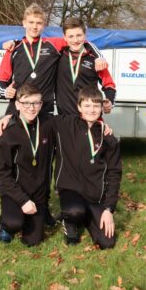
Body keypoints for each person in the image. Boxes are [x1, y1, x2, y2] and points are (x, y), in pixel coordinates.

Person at [0, 3, 105, 116]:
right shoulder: (13, 49)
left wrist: (99, 57)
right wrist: (5, 91)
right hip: (18, 110)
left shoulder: (53, 45)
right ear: (24, 23)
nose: (34, 26)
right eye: (31, 22)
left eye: (38, 23)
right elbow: (1, 81)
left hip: (44, 111)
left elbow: (79, 41)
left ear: (44, 25)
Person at [53, 86, 122, 249]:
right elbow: (36, 116)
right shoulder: (65, 124)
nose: (92, 110)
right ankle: (69, 220)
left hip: (95, 196)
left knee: (107, 242)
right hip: (70, 189)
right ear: (79, 107)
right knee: (74, 212)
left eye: (96, 106)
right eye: (87, 105)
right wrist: (8, 118)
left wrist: (109, 209)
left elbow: (114, 174)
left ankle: (86, 216)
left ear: (101, 108)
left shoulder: (108, 137)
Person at [0, 84, 54, 246]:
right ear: (17, 104)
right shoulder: (5, 132)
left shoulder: (49, 123)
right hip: (14, 189)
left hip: (38, 192)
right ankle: (6, 224)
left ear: (41, 104)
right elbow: (2, 175)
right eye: (26, 103)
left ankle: (34, 213)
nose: (31, 108)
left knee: (34, 241)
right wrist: (22, 200)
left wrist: (102, 126)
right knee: (14, 222)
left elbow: (76, 123)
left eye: (36, 103)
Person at [55, 17, 116, 116]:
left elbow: (109, 85)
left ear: (85, 35)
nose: (75, 40)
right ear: (64, 37)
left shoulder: (95, 60)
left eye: (79, 35)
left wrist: (109, 102)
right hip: (65, 119)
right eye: (71, 36)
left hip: (90, 118)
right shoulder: (58, 55)